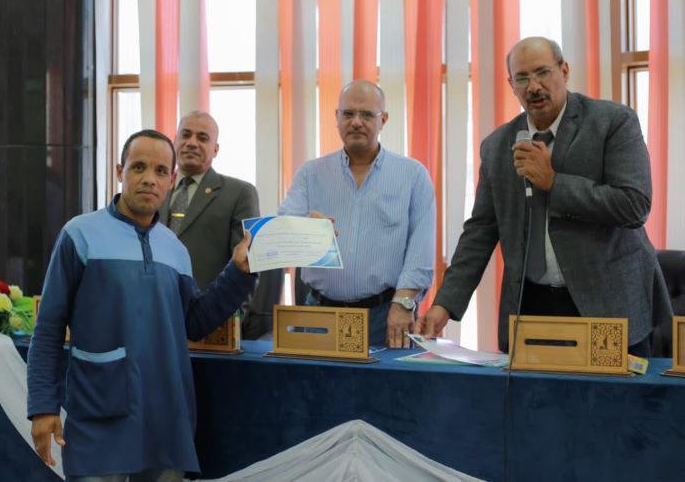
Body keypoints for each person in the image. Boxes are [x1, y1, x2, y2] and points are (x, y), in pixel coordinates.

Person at [418, 37, 672, 356]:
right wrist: (445, 304)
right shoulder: (498, 146)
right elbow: (480, 232)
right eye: (522, 78)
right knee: (536, 391)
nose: (534, 87)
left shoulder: (612, 122)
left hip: (607, 302)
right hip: (533, 307)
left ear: (564, 71)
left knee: (612, 391)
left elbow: (634, 205)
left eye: (542, 72)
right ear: (511, 85)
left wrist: (554, 183)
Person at [26, 129, 256, 481]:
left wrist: (238, 273)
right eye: (139, 167)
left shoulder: (175, 248)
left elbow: (195, 323)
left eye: (161, 171)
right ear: (120, 171)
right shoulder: (79, 234)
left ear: (171, 180)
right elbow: (48, 329)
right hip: (99, 414)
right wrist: (43, 406)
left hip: (167, 418)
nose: (150, 179)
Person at [278, 80, 436, 348]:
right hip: (319, 313)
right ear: (336, 118)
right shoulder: (311, 173)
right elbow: (281, 231)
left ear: (383, 119)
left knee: (387, 377)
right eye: (348, 114)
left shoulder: (412, 175)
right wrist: (302, 227)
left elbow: (420, 251)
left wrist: (403, 305)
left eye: (367, 115)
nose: (356, 122)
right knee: (313, 377)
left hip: (386, 315)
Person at [159, 111, 280, 339]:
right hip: (154, 317)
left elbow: (246, 265)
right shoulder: (156, 189)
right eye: (185, 135)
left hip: (209, 323)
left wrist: (232, 325)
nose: (192, 142)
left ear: (215, 149)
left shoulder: (239, 193)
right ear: (174, 141)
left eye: (202, 138)